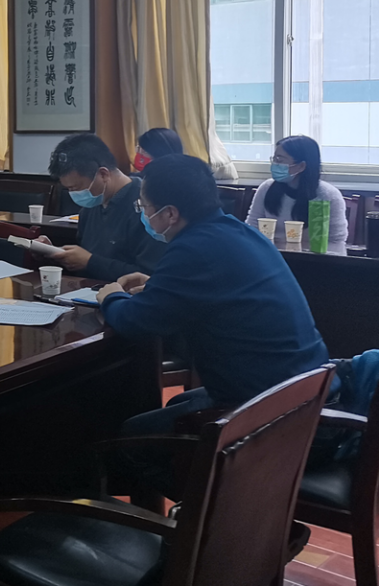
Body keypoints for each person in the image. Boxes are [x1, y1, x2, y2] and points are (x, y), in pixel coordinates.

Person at [97, 154, 328, 441]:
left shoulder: (192, 248)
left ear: (170, 214)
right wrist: (158, 285)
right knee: (179, 403)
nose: (142, 213)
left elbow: (136, 322)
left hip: (271, 410)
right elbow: (209, 290)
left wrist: (112, 297)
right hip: (306, 388)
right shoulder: (238, 230)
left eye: (144, 206)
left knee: (132, 435)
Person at [45, 133, 164, 280]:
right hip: (85, 288)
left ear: (103, 174)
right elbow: (82, 259)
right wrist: (52, 253)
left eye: (76, 188)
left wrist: (90, 262)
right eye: (68, 189)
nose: (74, 194)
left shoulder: (148, 207)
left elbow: (147, 275)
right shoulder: (91, 205)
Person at [247, 135, 348, 254]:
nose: (275, 164)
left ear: (301, 166)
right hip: (270, 255)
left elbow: (335, 242)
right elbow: (251, 227)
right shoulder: (267, 188)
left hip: (312, 259)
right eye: (274, 159)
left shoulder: (328, 195)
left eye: (280, 160)